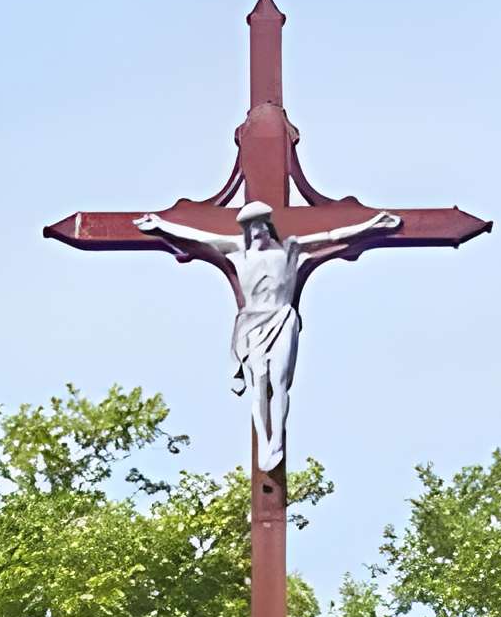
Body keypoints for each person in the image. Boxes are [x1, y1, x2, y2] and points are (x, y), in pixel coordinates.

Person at [134, 201, 401, 472]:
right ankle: (264, 441)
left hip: (282, 316)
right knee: (259, 385)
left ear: (268, 228)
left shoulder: (289, 250)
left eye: (262, 226)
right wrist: (161, 226)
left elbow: (333, 236)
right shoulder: (239, 251)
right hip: (252, 323)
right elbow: (198, 237)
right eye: (252, 227)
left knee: (279, 380)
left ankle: (276, 442)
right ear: (247, 232)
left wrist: (372, 225)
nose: (257, 231)